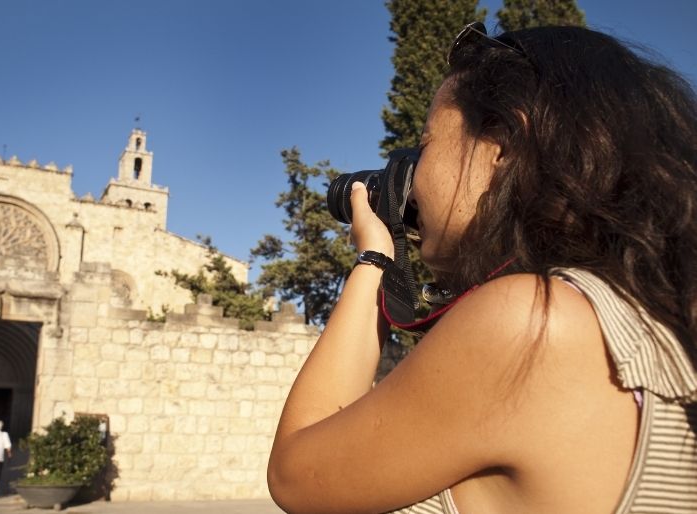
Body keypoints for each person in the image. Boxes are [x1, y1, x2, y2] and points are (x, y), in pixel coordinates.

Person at [268, 23, 696, 514]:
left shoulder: (532, 322)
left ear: (504, 146)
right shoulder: (649, 323)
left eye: (425, 145)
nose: (411, 176)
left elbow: (296, 473)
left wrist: (373, 259)